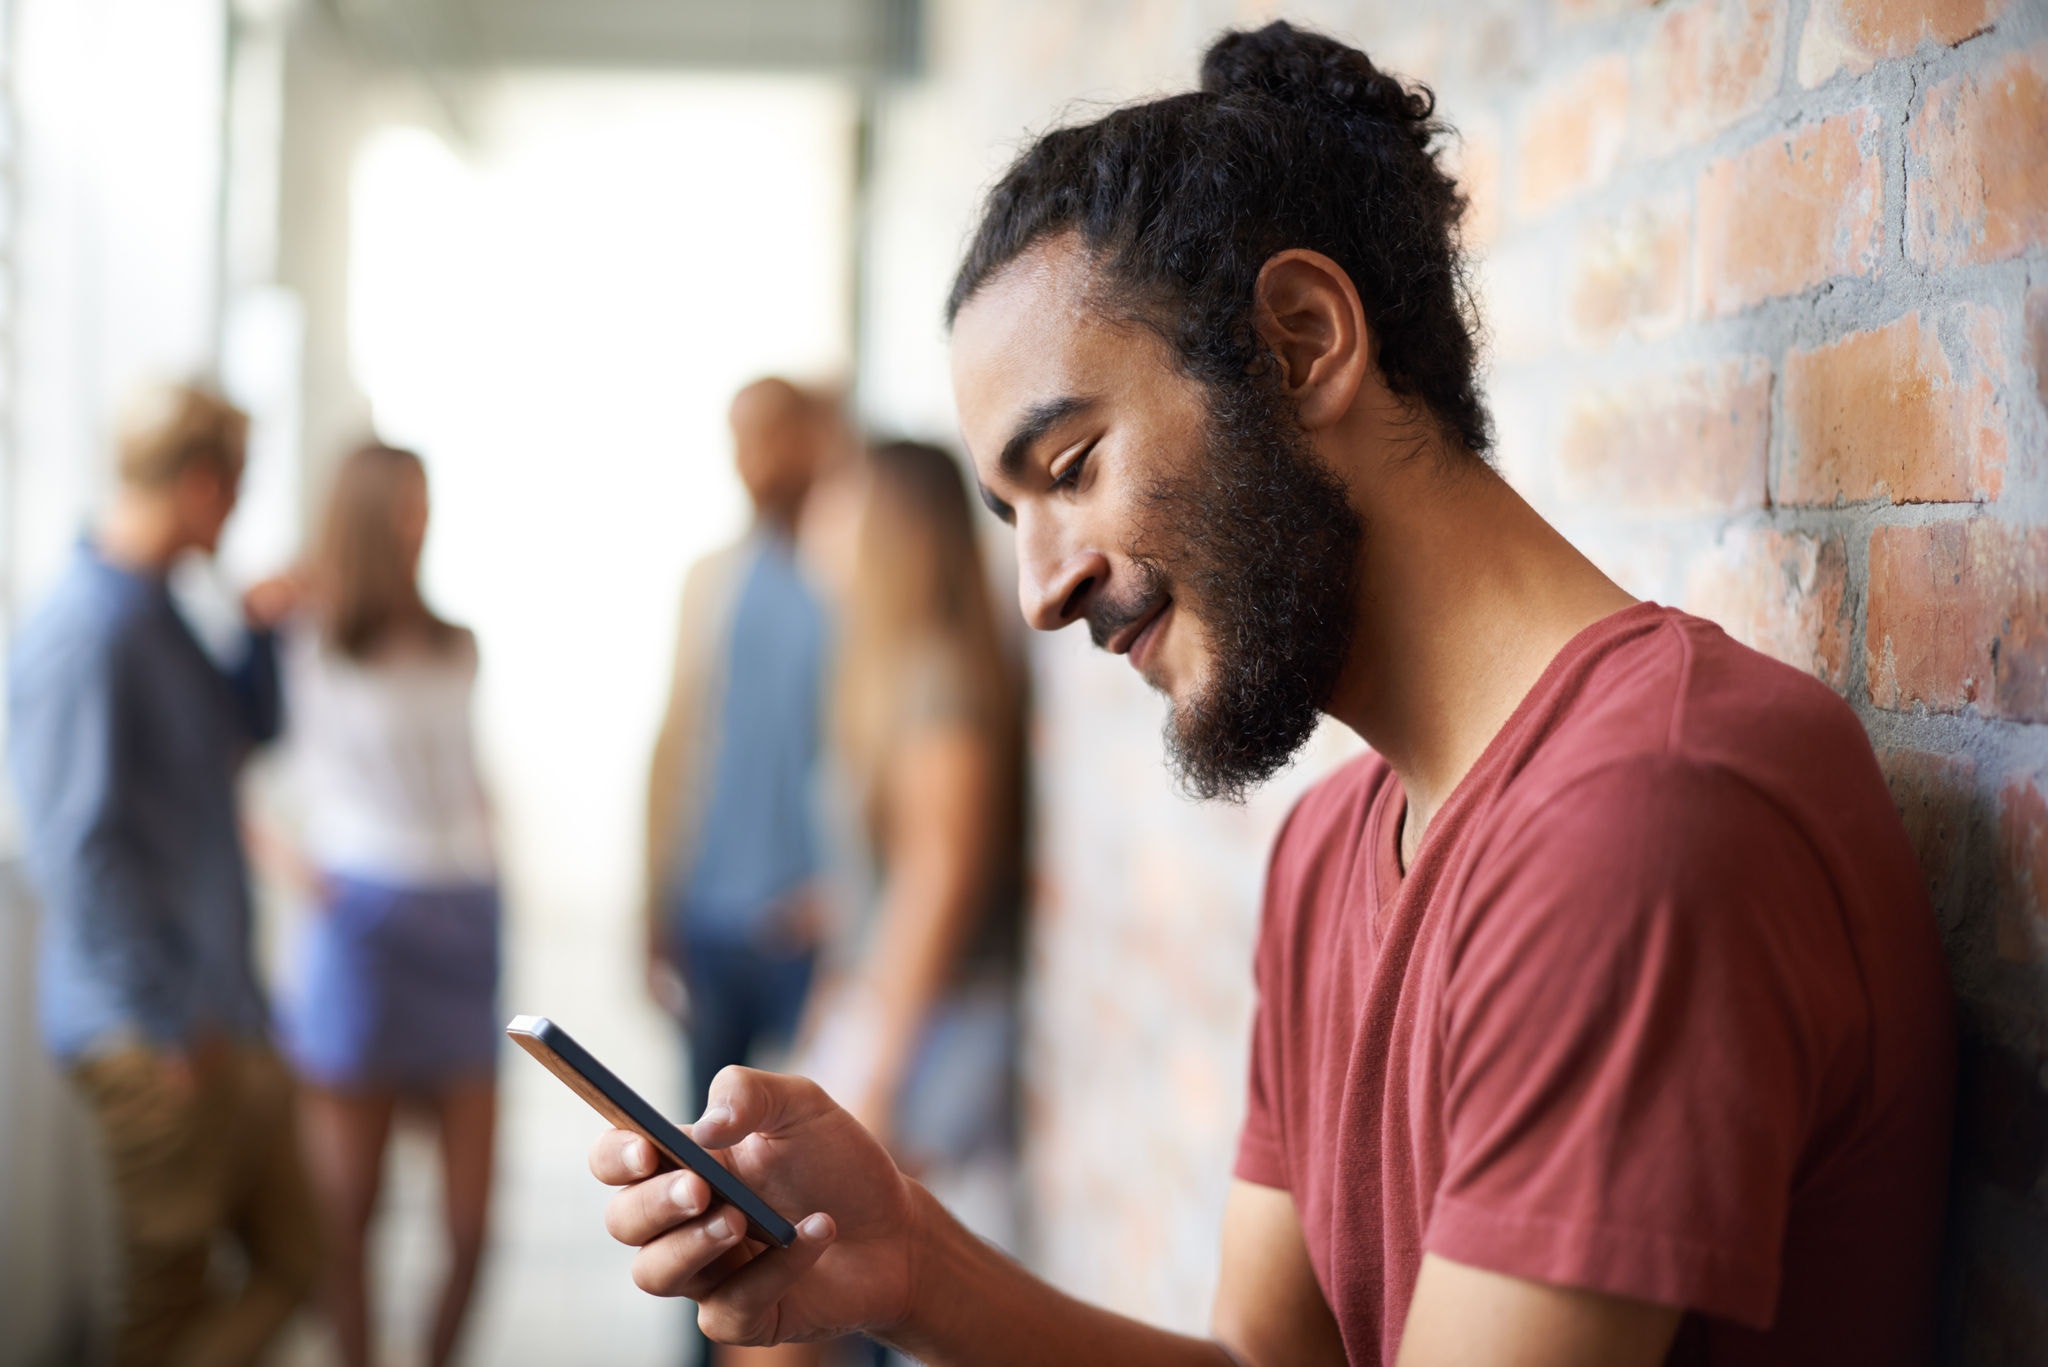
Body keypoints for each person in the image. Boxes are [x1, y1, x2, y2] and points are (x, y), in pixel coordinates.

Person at [586, 21, 1956, 1367]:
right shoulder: (1328, 854)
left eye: (1070, 469)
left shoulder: (1645, 816)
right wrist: (909, 1261)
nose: (1041, 589)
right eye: (1010, 514)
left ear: (1301, 341)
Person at [7, 380, 319, 1367]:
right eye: (234, 488)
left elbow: (245, 737)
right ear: (197, 483)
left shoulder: (161, 613)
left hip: (218, 1014)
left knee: (297, 1257)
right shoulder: (86, 629)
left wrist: (264, 633)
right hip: (154, 1033)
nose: (235, 514)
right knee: (162, 1299)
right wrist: (165, 1018)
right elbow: (75, 847)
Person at [780, 439, 1026, 1367]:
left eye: (837, 494)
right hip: (897, 1014)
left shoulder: (933, 677)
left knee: (788, 1295)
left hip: (938, 1028)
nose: (816, 517)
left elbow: (940, 875)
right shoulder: (885, 669)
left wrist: (876, 1071)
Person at [270, 442, 499, 1367]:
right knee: (348, 1217)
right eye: (402, 506)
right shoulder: (305, 636)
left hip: (463, 913)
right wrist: (299, 865)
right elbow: (223, 763)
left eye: (425, 503)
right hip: (359, 918)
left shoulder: (457, 643)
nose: (419, 522)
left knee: (471, 1222)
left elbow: (465, 776)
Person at [642, 378, 836, 1364]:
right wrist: (650, 904)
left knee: (807, 1187)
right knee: (696, 1175)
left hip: (808, 928)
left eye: (770, 434)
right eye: (740, 437)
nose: (752, 455)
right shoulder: (709, 578)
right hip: (711, 915)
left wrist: (842, 890)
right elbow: (673, 742)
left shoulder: (844, 574)